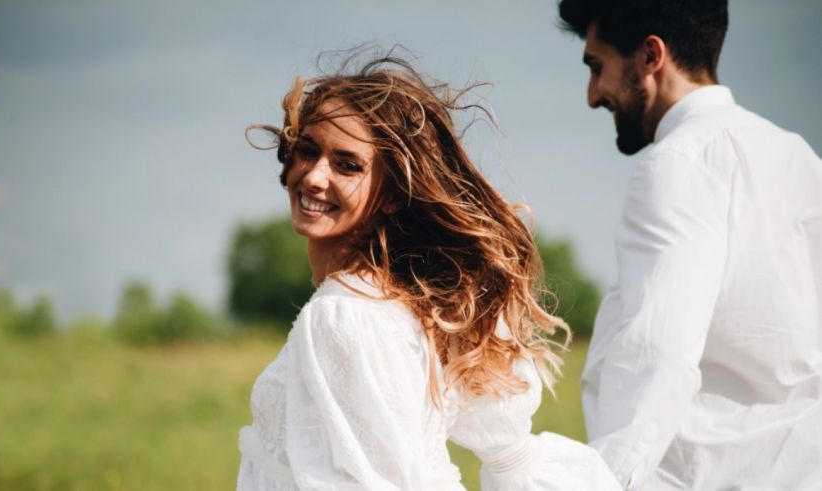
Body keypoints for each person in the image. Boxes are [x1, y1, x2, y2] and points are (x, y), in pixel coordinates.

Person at [236, 51, 621, 490]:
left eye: (347, 164)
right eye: (308, 150)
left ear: (395, 193)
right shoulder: (405, 304)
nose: (314, 176)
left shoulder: (346, 316)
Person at [557, 1, 822, 489]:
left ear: (650, 57)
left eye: (598, 68)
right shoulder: (797, 155)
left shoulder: (677, 162)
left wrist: (606, 482)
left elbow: (656, 355)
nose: (594, 95)